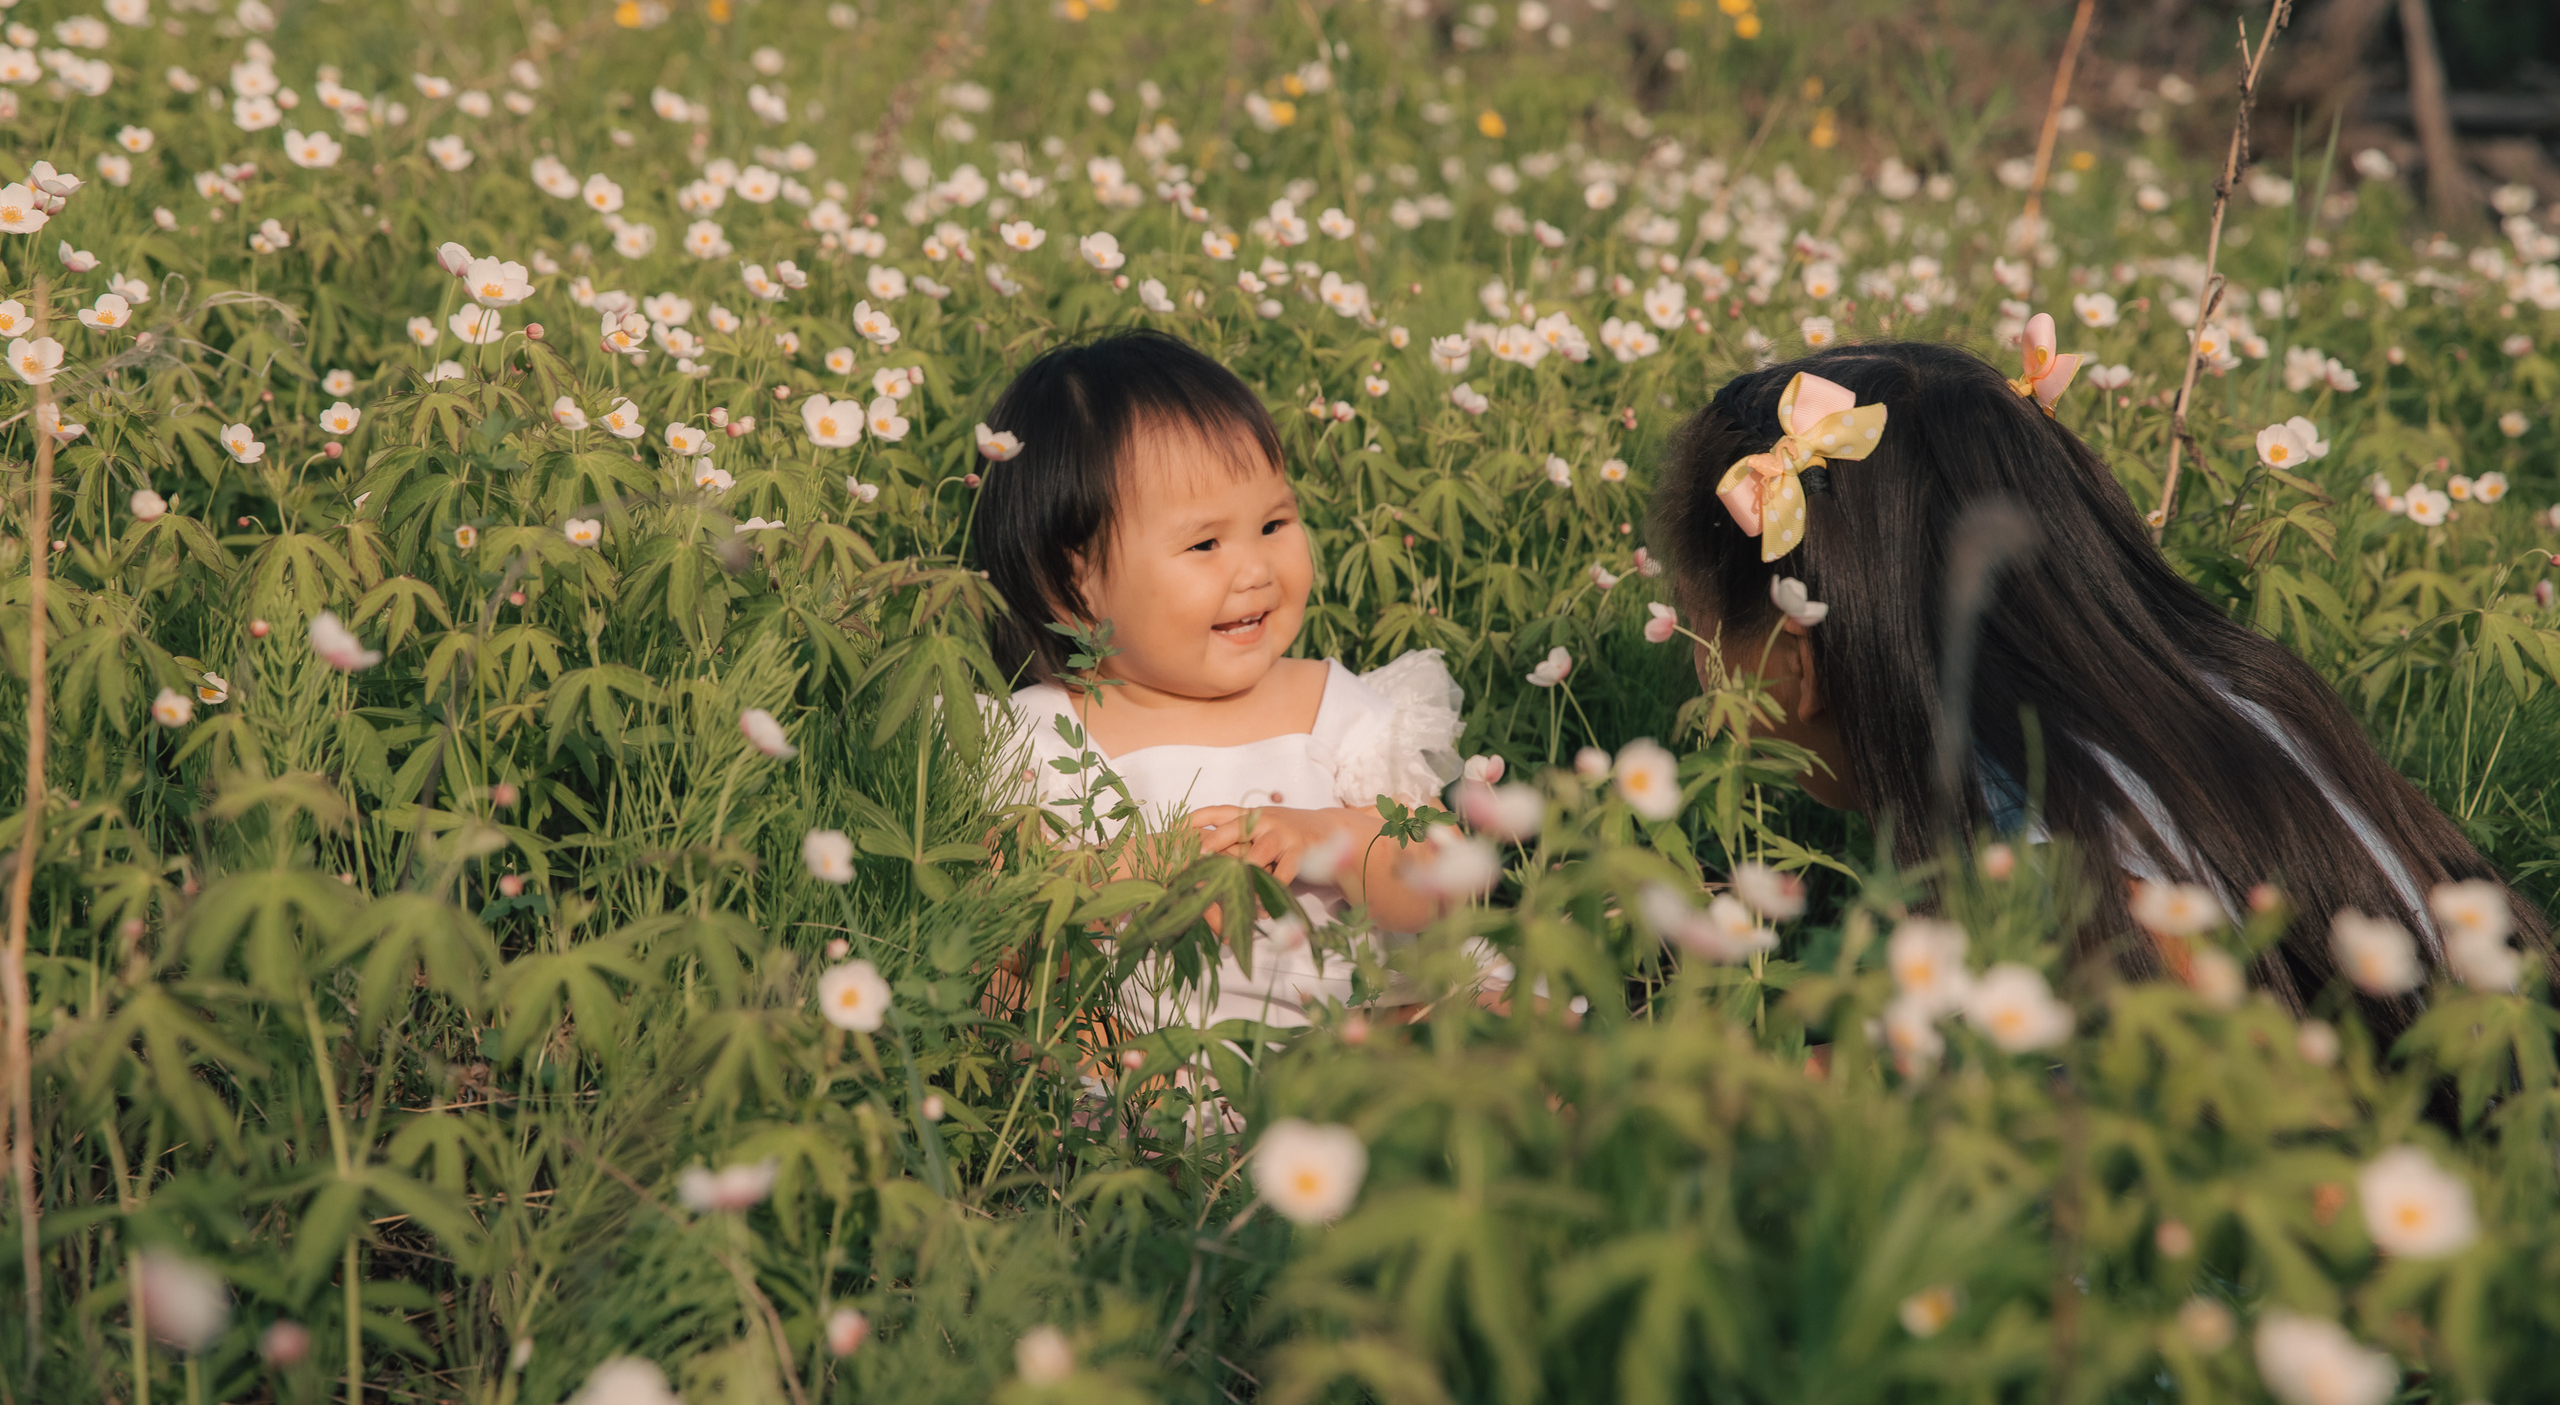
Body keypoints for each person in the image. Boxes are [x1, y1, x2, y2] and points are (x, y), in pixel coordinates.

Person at [1649, 330, 2547, 1019]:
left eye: (1699, 628)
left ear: (1793, 662)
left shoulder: (2045, 873)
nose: (1698, 669)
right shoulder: (2244, 704)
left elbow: (2035, 1181)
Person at [975, 329, 1470, 1033]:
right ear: (1072, 583)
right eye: (1205, 543)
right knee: (1035, 1028)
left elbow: (1444, 879)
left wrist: (1333, 838)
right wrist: (1131, 873)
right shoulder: (1042, 737)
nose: (1255, 569)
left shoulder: (1329, 706)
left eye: (1273, 523)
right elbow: (994, 927)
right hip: (1162, 1061)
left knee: (1497, 1007)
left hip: (1373, 1022)